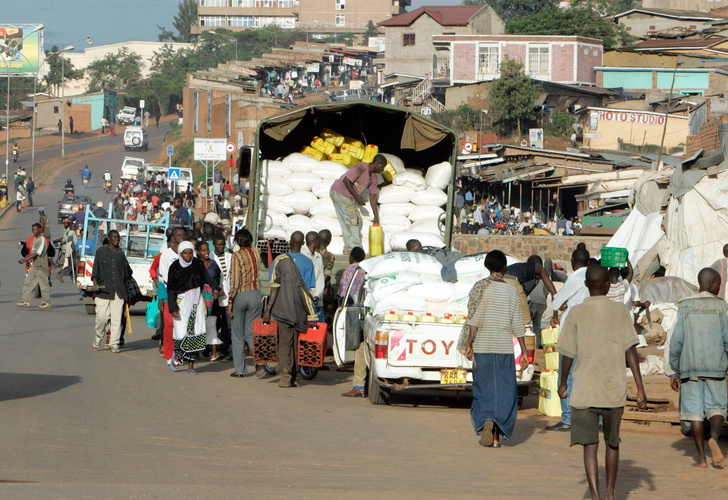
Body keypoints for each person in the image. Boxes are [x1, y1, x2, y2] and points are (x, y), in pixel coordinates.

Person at [457, 250, 530, 447]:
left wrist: (469, 343)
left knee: (484, 389)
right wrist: (524, 352)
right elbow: (517, 324)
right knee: (504, 392)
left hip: (482, 347)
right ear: (504, 267)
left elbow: (473, 319)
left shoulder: (479, 288)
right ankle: (497, 435)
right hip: (504, 349)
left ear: (487, 266)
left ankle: (486, 420)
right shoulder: (511, 290)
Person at [669, 267, 728, 468]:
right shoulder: (722, 307)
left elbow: (676, 340)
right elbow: (727, 339)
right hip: (716, 366)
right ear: (712, 284)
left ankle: (701, 458)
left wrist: (675, 369)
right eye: (719, 284)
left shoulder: (685, 306)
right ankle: (714, 437)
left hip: (690, 368)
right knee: (717, 407)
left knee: (694, 413)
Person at [262, 231, 318, 388]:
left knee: (285, 342)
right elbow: (308, 291)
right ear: (302, 244)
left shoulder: (279, 260)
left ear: (290, 242)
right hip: (300, 310)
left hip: (282, 310)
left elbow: (274, 287)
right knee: (296, 343)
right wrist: (312, 314)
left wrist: (268, 310)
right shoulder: (308, 262)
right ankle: (295, 376)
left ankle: (286, 373)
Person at [547, 247, 591, 432]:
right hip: (590, 330)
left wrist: (562, 304)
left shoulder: (575, 278)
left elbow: (556, 302)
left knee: (566, 375)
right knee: (586, 376)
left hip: (572, 330)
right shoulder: (592, 276)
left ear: (573, 261)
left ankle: (567, 418)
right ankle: (593, 420)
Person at [167, 241, 218, 374]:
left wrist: (216, 289)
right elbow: (171, 289)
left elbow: (207, 278)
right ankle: (178, 355)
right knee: (181, 331)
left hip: (197, 301)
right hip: (182, 303)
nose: (188, 255)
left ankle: (191, 365)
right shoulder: (174, 267)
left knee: (195, 331)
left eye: (190, 253)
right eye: (185, 253)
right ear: (180, 253)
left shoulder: (197, 264)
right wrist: (173, 308)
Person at [329, 154, 385, 254]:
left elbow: (372, 197)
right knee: (352, 220)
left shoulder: (374, 178)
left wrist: (376, 216)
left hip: (349, 197)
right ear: (377, 163)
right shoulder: (360, 168)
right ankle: (355, 250)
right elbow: (347, 181)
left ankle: (348, 249)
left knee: (351, 220)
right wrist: (357, 197)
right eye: (382, 166)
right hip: (339, 192)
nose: (383, 170)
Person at [228, 228, 264, 378]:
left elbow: (234, 281)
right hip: (255, 294)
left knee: (237, 334)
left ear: (238, 241)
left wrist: (230, 301)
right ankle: (260, 361)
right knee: (251, 332)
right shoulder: (256, 252)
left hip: (241, 295)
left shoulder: (236, 256)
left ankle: (240, 369)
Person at [90, 230, 131, 353]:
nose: (116, 239)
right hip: (103, 290)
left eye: (118, 237)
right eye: (114, 237)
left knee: (117, 318)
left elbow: (128, 271)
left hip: (118, 291)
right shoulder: (101, 252)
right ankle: (99, 335)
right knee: (101, 317)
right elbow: (95, 270)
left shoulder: (120, 254)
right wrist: (95, 284)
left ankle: (114, 343)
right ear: (108, 238)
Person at [339, 247, 370, 397]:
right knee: (365, 348)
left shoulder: (350, 271)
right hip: (368, 312)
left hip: (353, 313)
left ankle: (358, 386)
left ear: (351, 257)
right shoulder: (367, 271)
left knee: (358, 348)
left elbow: (343, 293)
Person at [198, 241, 225, 363]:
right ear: (198, 252)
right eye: (203, 250)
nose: (206, 252)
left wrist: (216, 290)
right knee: (199, 324)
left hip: (212, 300)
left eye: (207, 249)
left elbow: (217, 280)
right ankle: (198, 350)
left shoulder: (214, 264)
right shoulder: (196, 264)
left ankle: (213, 352)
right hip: (199, 299)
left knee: (212, 324)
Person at [16, 223, 51, 309]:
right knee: (27, 283)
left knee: (43, 285)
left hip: (42, 266)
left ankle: (46, 303)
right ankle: (25, 301)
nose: (33, 231)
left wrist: (24, 259)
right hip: (35, 265)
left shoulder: (42, 240)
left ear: (40, 230)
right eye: (32, 230)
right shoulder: (35, 239)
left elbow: (36, 253)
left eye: (35, 229)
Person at [302, 231, 325, 323]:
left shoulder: (318, 257)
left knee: (319, 329)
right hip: (303, 301)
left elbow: (320, 279)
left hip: (317, 301)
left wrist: (317, 296)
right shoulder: (301, 255)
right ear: (316, 241)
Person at [56, 218, 77, 282]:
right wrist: (73, 247)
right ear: (70, 227)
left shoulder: (70, 232)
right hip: (71, 251)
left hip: (70, 251)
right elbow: (69, 238)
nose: (73, 227)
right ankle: (61, 273)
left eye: (74, 226)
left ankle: (74, 278)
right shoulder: (71, 232)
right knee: (72, 265)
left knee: (74, 265)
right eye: (72, 226)